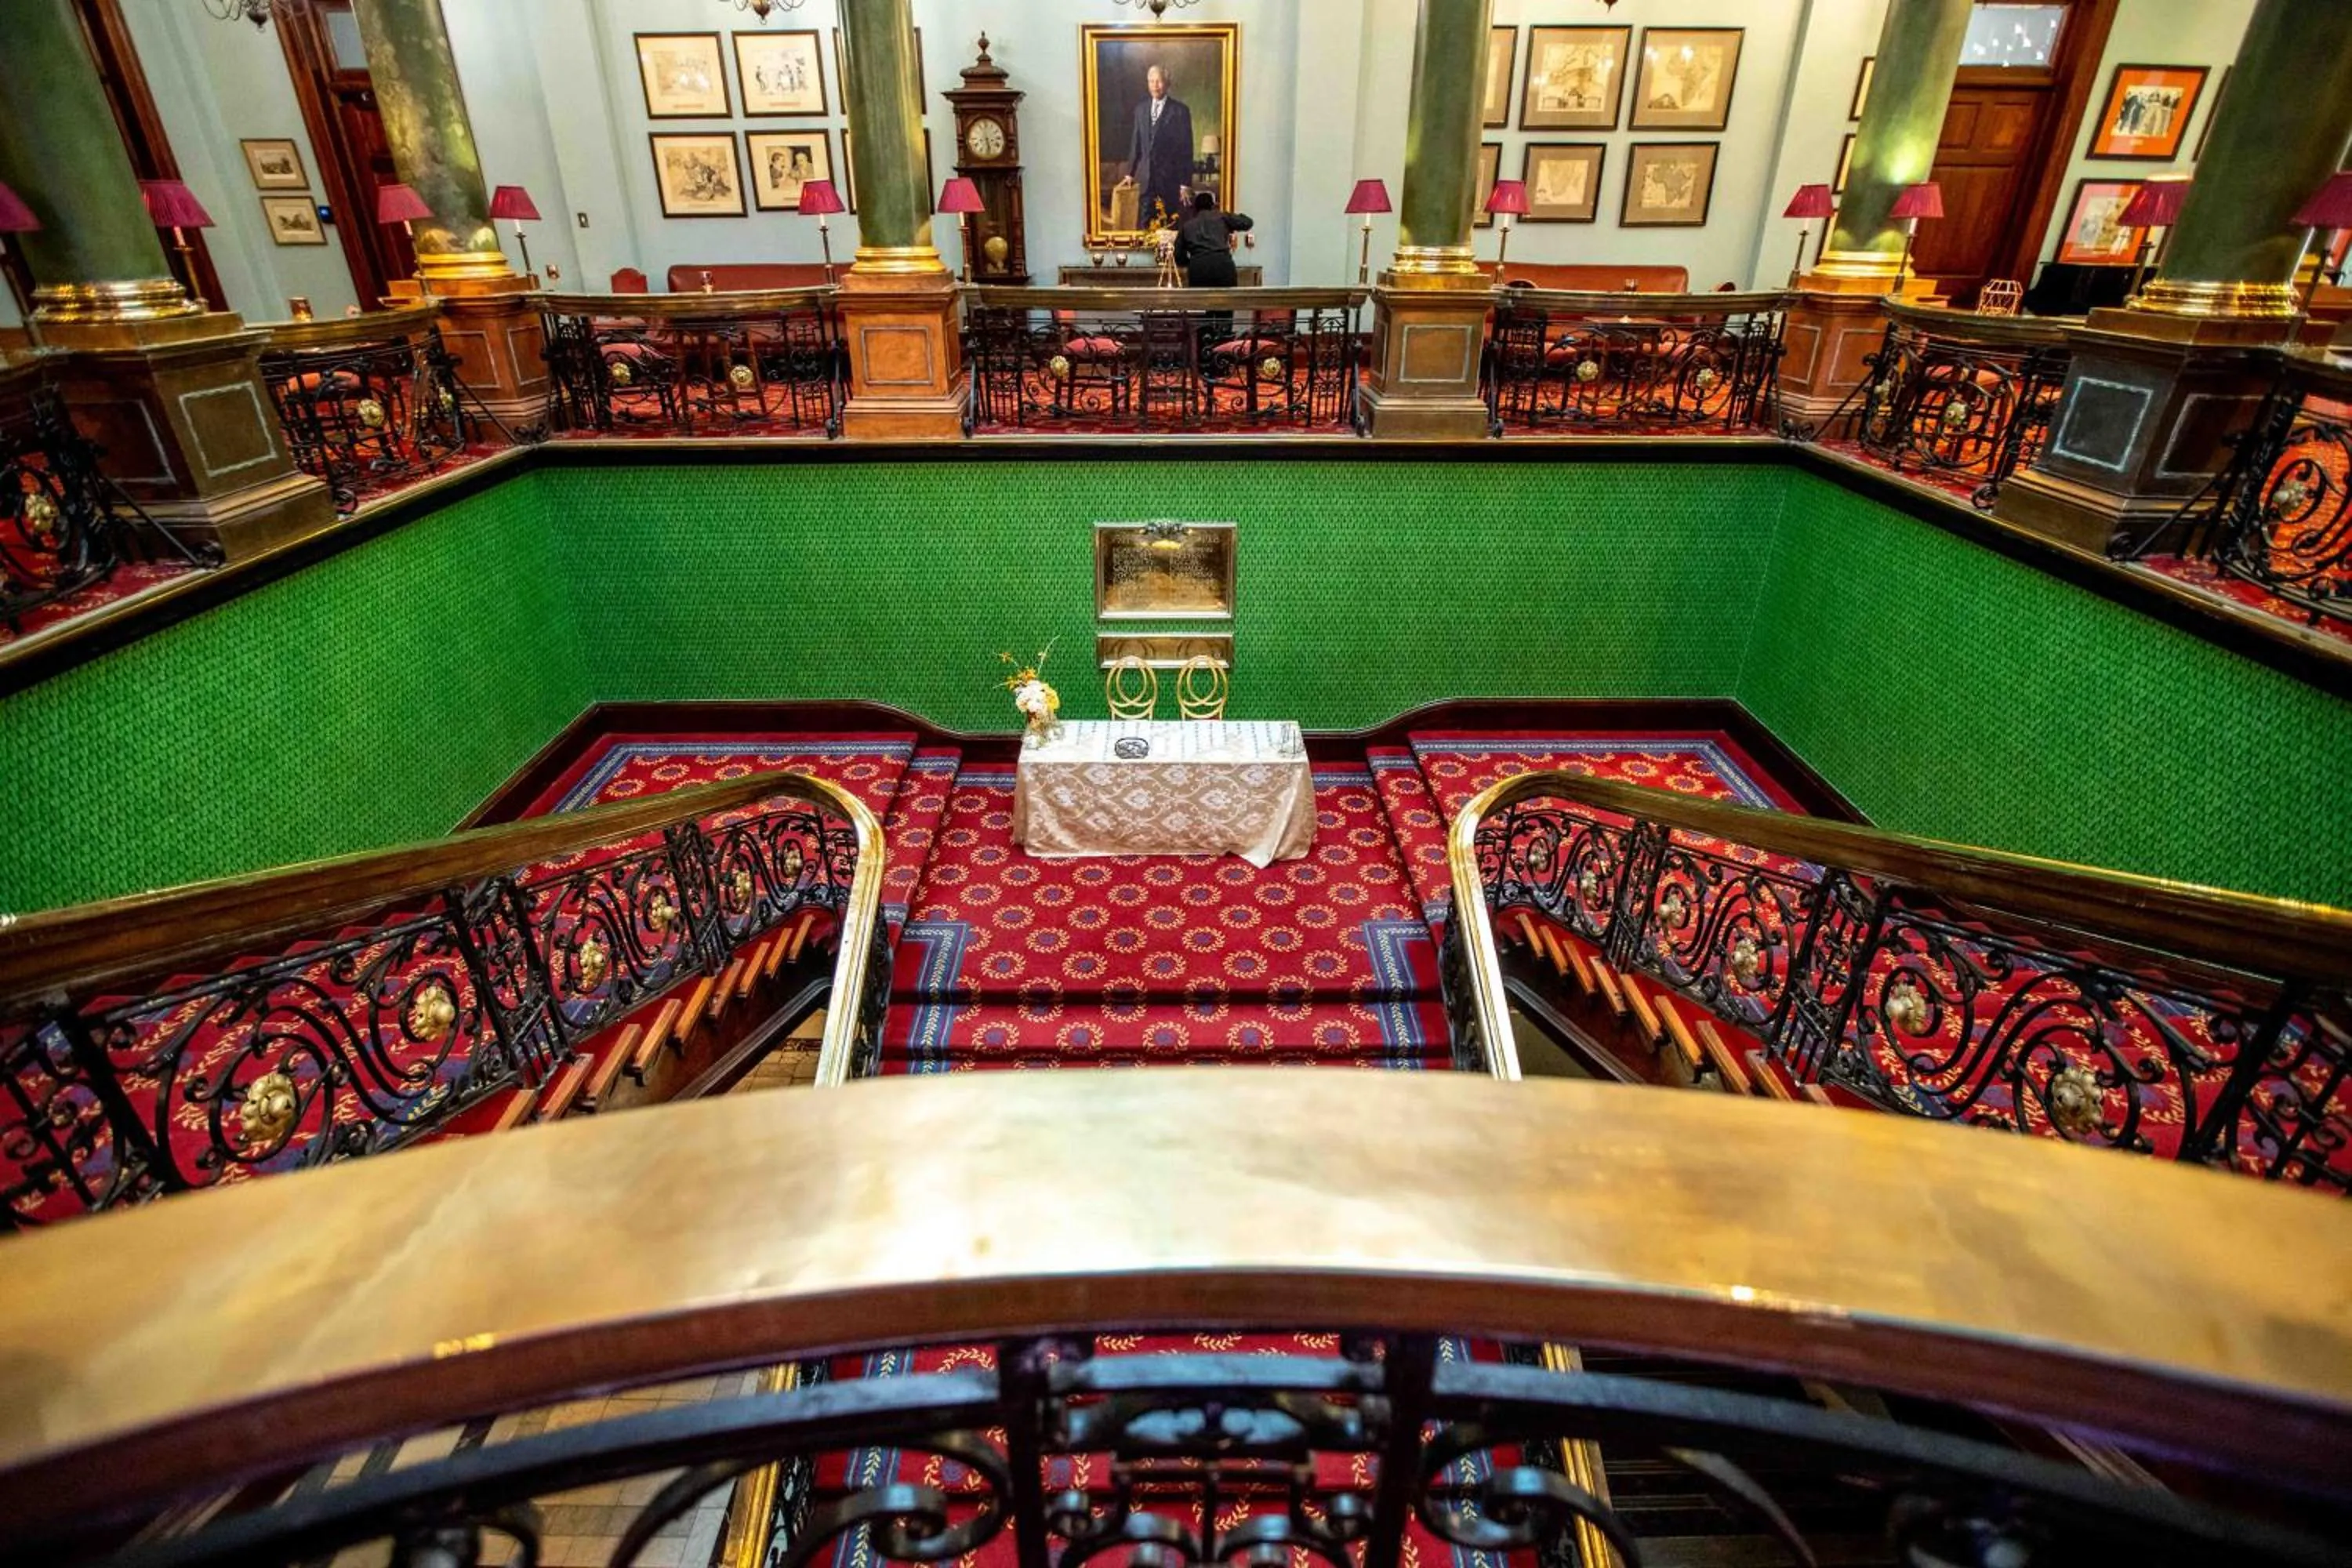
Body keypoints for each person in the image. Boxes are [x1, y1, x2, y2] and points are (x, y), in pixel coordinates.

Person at [1123, 64, 1193, 232]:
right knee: (1144, 226)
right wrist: (1129, 173)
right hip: (1146, 180)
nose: (1155, 85)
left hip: (1170, 180)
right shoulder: (1140, 109)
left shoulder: (1180, 111)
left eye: (1159, 81)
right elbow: (1136, 143)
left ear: (1167, 83)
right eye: (1151, 81)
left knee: (1168, 226)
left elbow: (1186, 149)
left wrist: (1185, 184)